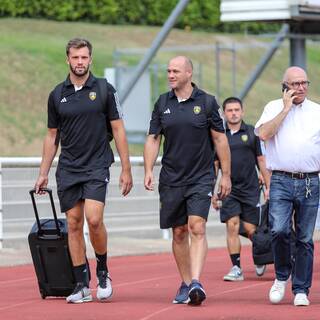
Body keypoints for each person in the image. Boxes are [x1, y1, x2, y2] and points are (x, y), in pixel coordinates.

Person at [35, 38, 133, 303]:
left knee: (94, 219)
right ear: (67, 59)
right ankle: (81, 283)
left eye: (84, 57)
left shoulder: (104, 89)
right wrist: (43, 172)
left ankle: (102, 271)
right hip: (68, 168)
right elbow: (51, 136)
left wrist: (126, 168)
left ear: (91, 59)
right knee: (74, 224)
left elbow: (118, 129)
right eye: (75, 57)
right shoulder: (57, 94)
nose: (80, 62)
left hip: (96, 164)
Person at [144, 56, 231, 306]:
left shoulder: (207, 102)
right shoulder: (162, 102)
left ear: (189, 73)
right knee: (179, 231)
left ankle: (195, 281)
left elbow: (220, 139)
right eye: (169, 71)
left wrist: (225, 174)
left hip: (201, 176)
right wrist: (148, 169)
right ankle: (185, 283)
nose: (170, 75)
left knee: (197, 226)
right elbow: (153, 139)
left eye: (175, 71)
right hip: (171, 177)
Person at [255, 66, 320, 306]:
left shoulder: (317, 111)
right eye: (295, 84)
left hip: (310, 181)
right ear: (285, 87)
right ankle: (282, 276)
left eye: (304, 83)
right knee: (279, 230)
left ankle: (301, 288)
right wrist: (285, 109)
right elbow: (263, 134)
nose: (301, 88)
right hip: (281, 179)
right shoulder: (273, 107)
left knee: (304, 237)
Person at [212, 97, 270, 281]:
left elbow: (261, 160)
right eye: (230, 110)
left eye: (237, 109)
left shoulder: (252, 133)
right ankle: (236, 267)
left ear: (242, 111)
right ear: (224, 113)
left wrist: (269, 185)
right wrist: (212, 190)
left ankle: (261, 253)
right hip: (228, 189)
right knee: (232, 225)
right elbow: (214, 164)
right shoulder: (218, 136)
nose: (234, 113)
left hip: (251, 188)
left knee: (251, 229)